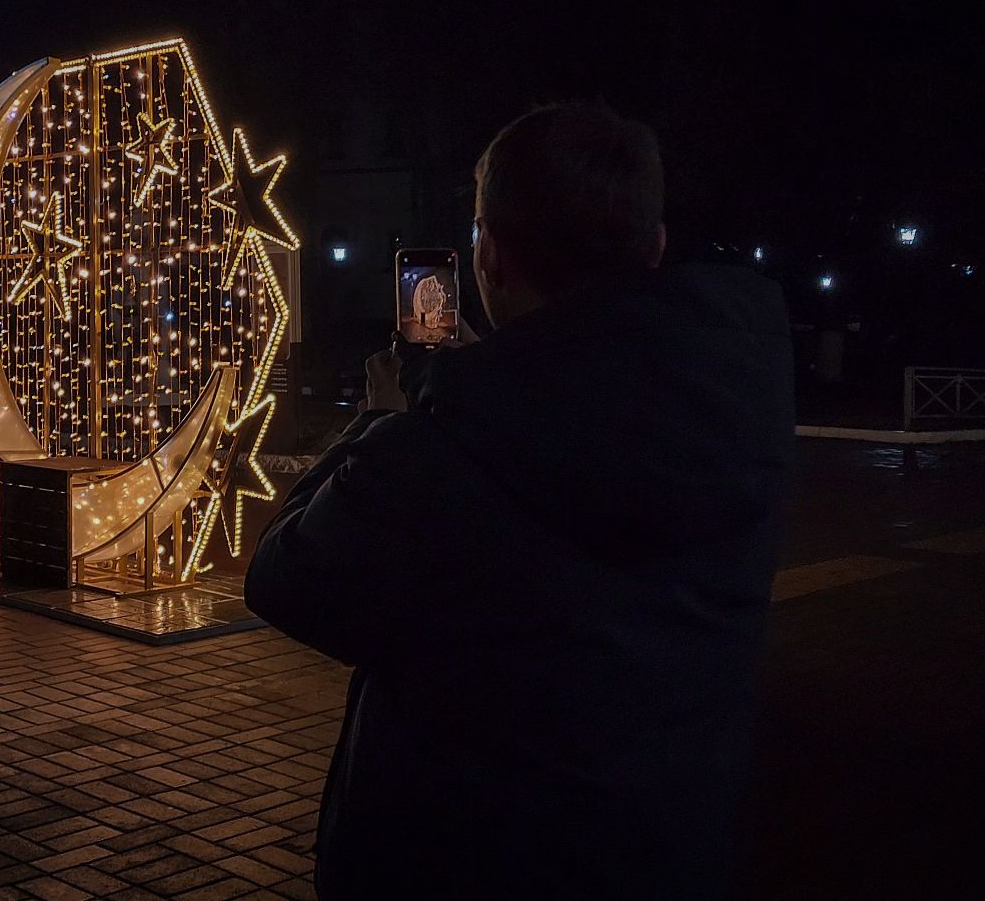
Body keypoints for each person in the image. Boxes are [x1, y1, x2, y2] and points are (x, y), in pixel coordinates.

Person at [245, 103, 796, 898]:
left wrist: (382, 420)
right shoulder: (736, 400)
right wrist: (486, 385)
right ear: (656, 244)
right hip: (665, 847)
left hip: (467, 859)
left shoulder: (443, 450)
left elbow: (286, 577)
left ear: (491, 257)